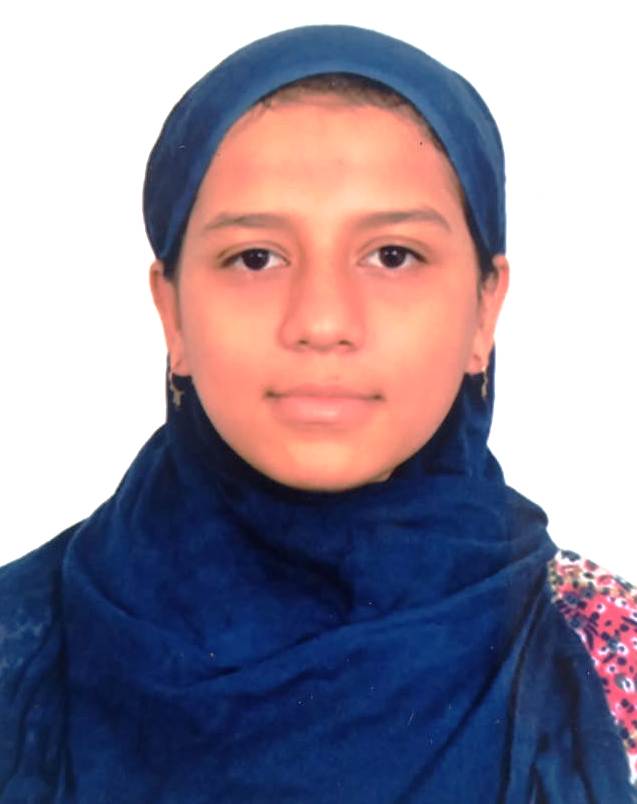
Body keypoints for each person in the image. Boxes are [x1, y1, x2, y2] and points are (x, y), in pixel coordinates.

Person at [1, 24, 635, 803]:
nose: (322, 320)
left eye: (393, 256)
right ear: (172, 314)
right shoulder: (17, 650)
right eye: (255, 258)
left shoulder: (608, 670)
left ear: (484, 310)